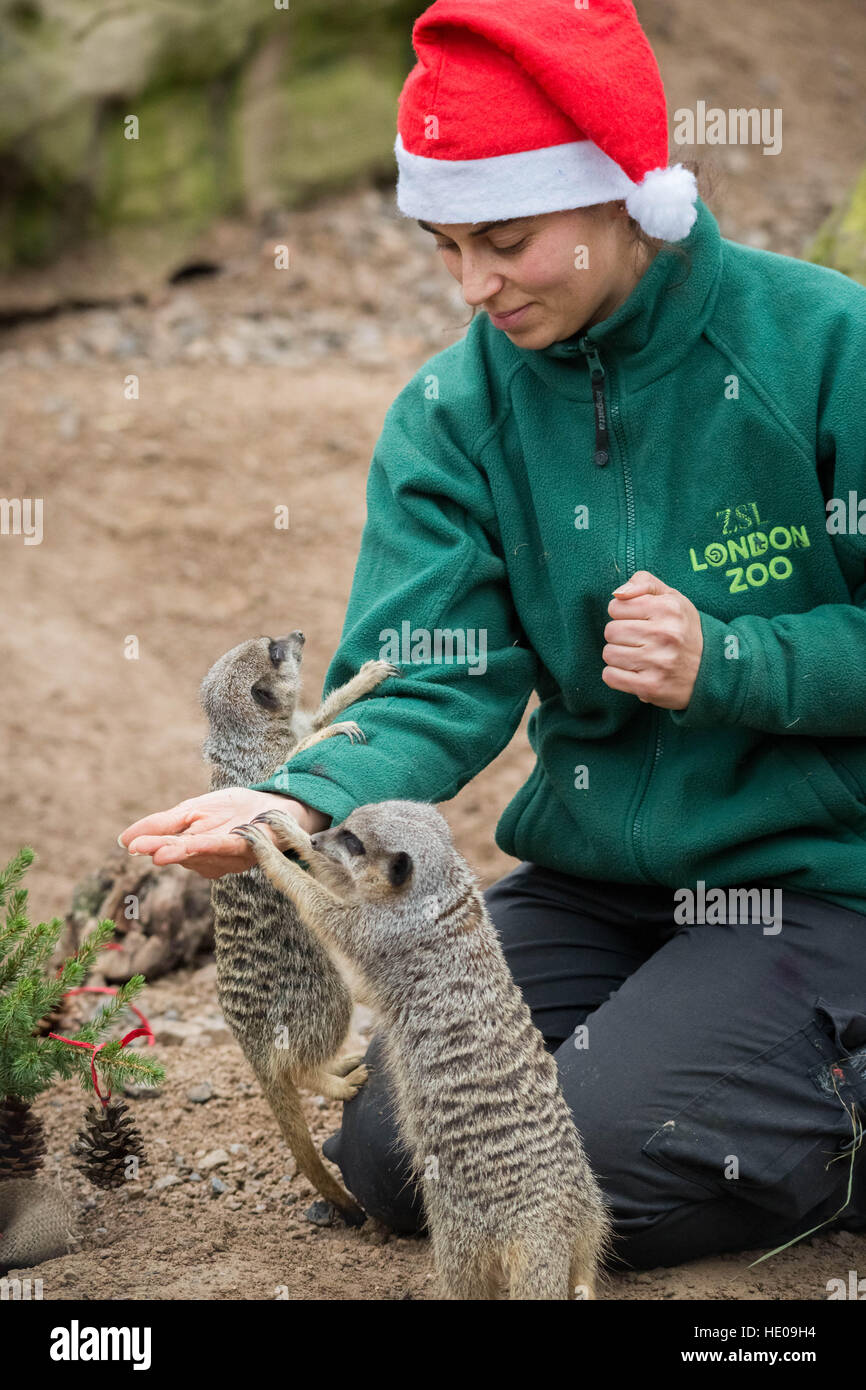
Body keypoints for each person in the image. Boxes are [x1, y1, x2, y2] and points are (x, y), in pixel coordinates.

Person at [121, 0, 866, 1270]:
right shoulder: (450, 410)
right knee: (407, 1164)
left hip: (809, 883)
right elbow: (423, 679)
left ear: (620, 200)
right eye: (443, 246)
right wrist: (299, 802)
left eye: (506, 241)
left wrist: (735, 664)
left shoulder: (825, 343)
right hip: (594, 881)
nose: (473, 288)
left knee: (593, 1165)